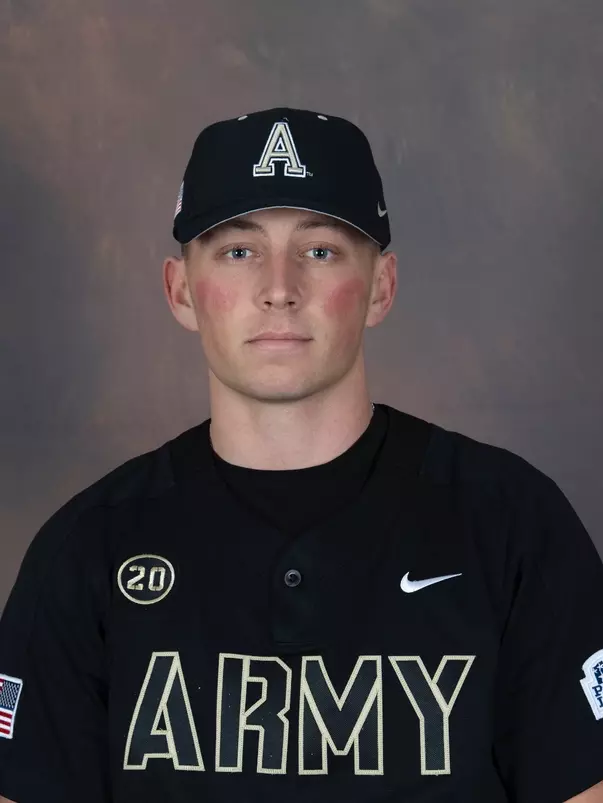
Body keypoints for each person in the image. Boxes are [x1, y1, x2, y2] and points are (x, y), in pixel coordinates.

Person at [0, 106, 602, 803]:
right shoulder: (87, 551)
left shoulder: (511, 525)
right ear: (179, 289)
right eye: (237, 250)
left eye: (320, 250)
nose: (278, 288)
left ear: (380, 286)